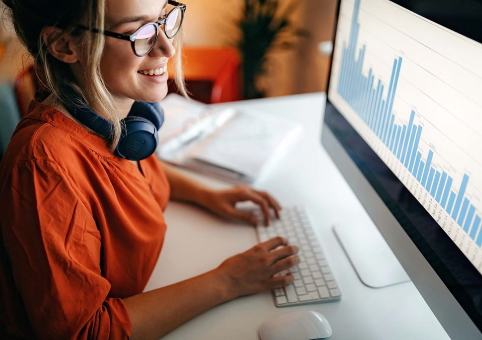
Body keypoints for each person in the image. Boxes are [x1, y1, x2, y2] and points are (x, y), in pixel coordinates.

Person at [0, 0, 300, 339]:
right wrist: (228, 281)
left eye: (163, 19)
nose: (167, 46)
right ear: (65, 45)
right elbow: (85, 332)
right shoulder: (43, 166)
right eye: (137, 31)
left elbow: (118, 171)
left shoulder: (114, 116)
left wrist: (207, 194)